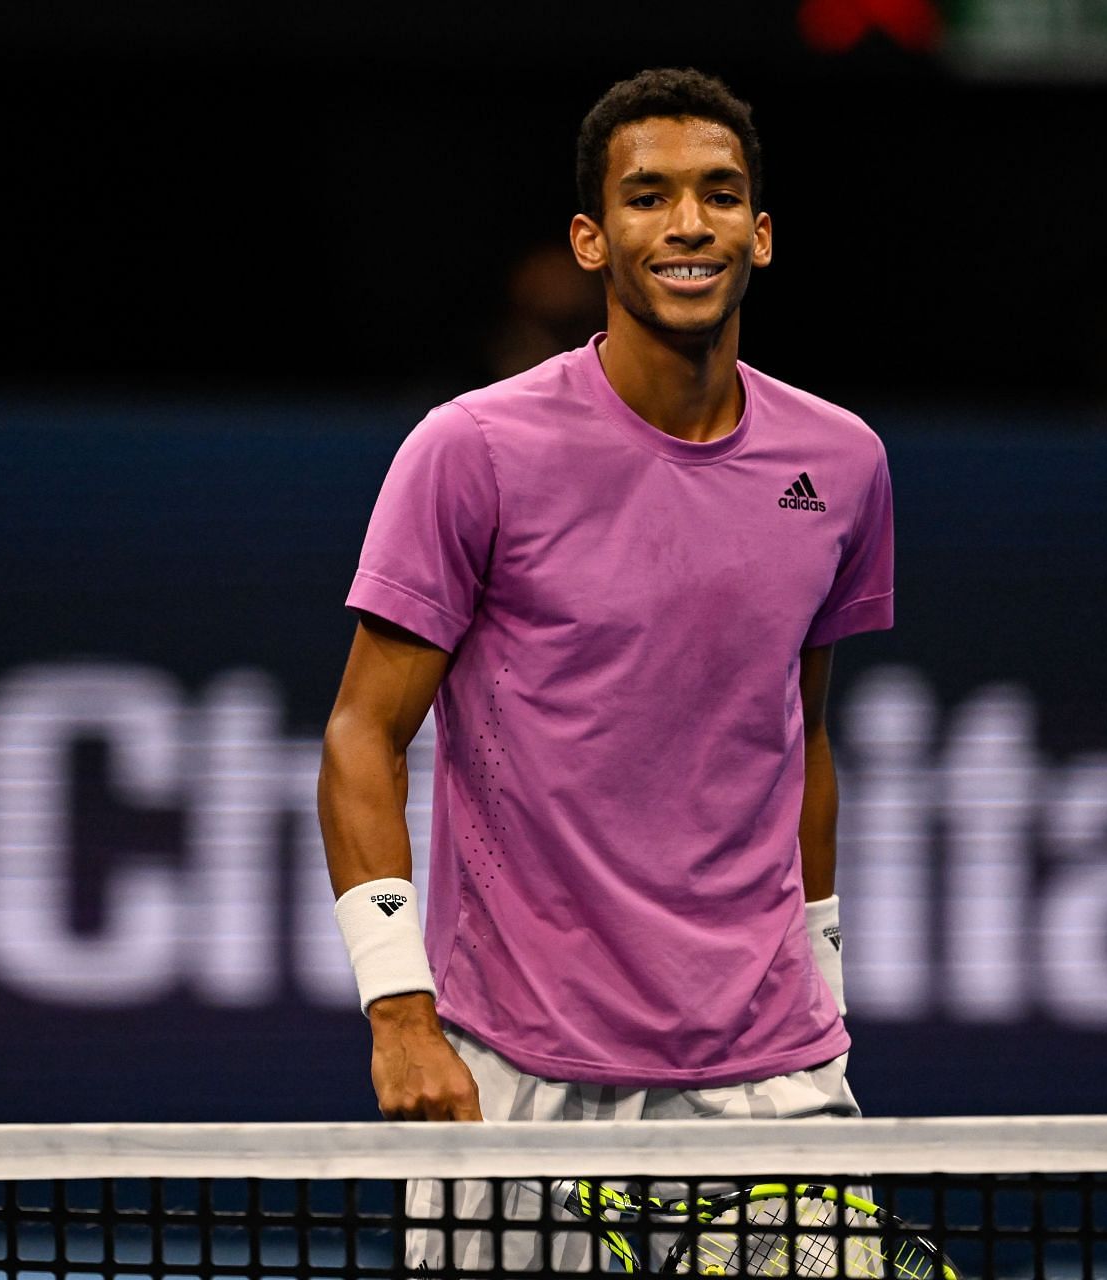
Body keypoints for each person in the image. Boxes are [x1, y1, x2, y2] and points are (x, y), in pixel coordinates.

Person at [316, 66, 895, 1270]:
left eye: (720, 195)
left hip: (768, 1080)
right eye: (648, 197)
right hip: (515, 1080)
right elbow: (360, 734)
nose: (688, 223)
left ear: (762, 233)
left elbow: (804, 733)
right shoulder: (471, 450)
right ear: (594, 237)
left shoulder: (841, 465)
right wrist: (399, 1008)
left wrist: (826, 982)